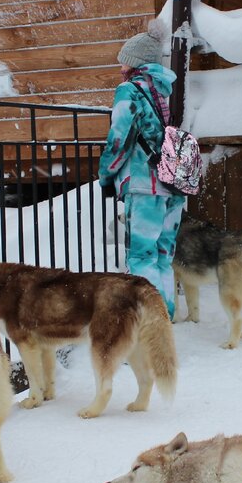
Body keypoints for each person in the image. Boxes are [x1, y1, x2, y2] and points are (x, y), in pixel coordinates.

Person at [97, 20, 186, 318]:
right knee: (163, 258)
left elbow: (119, 139)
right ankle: (166, 318)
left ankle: (151, 327)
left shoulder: (129, 91)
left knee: (141, 258)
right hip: (173, 184)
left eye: (124, 62)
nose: (120, 68)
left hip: (145, 185)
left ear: (134, 63)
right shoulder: (162, 89)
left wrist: (106, 176)